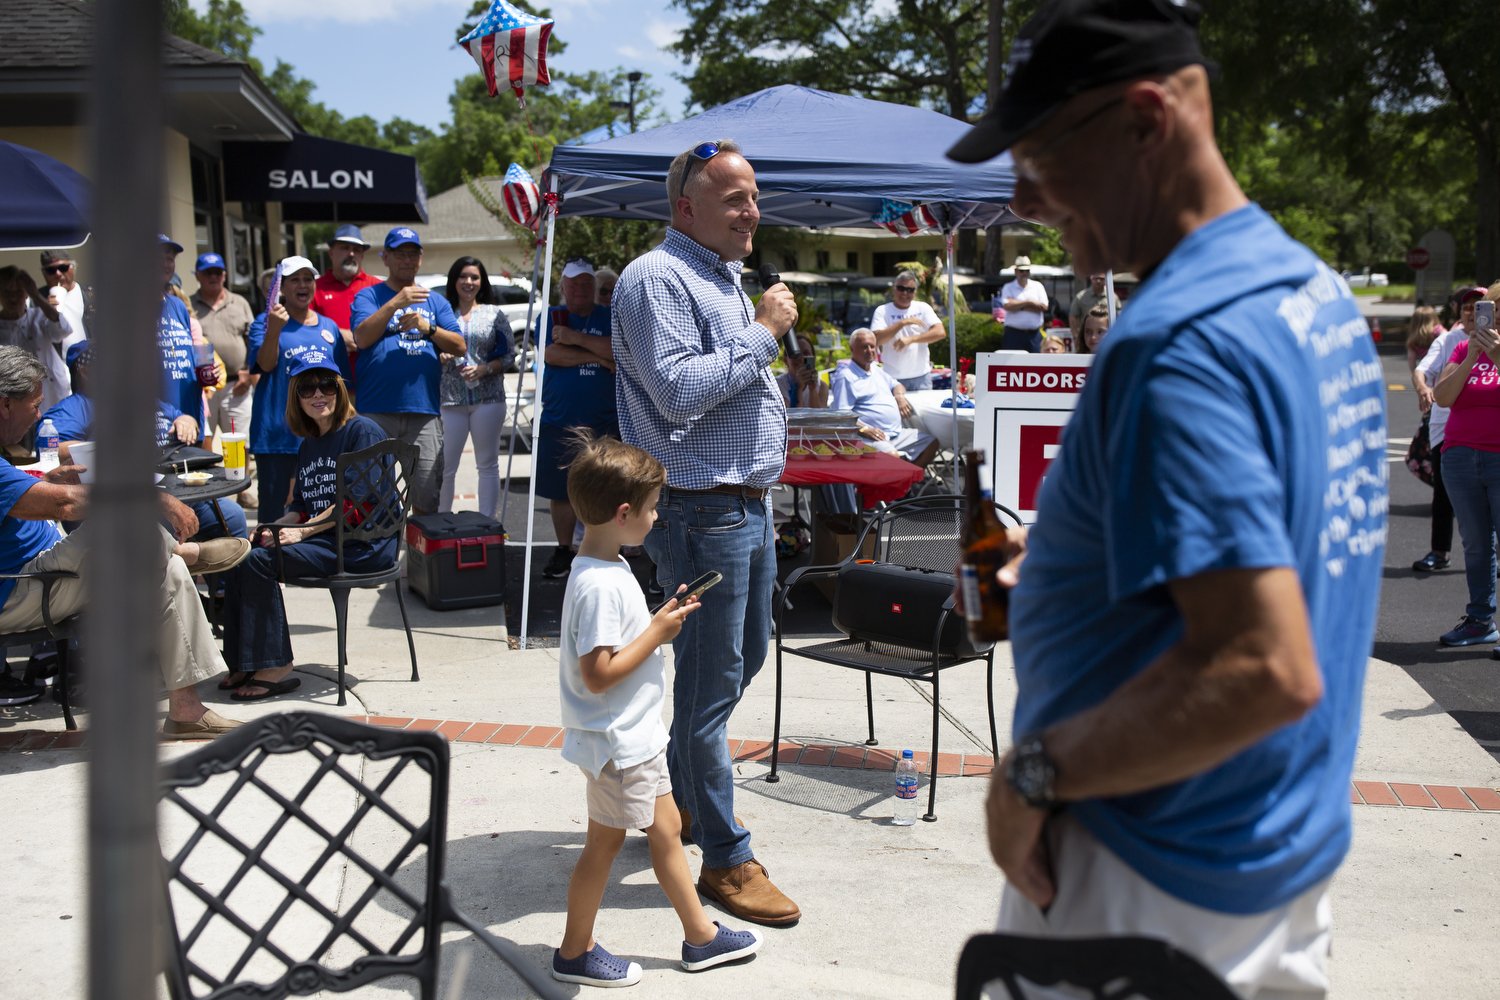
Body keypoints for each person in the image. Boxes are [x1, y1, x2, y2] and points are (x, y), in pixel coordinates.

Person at [945, 1, 1387, 995]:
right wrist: (1069, 571)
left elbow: (1261, 666)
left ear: (1147, 120)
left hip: (1146, 873)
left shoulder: (1179, 342)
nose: (1020, 193)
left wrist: (1029, 777)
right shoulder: (1305, 293)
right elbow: (1292, 543)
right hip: (1263, 851)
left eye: (1039, 150)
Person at [612, 137, 802, 927]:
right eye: (733, 198)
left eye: (753, 196)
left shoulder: (717, 275)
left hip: (742, 507)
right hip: (698, 511)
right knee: (712, 688)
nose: (751, 211)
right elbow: (680, 391)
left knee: (732, 665)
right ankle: (725, 857)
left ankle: (680, 800)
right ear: (684, 206)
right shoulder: (656, 277)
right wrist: (763, 332)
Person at [551, 432, 762, 988]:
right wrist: (658, 634)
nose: (655, 518)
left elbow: (615, 650)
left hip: (625, 737)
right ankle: (595, 948)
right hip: (619, 739)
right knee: (617, 844)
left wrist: (654, 624)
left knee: (661, 828)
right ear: (624, 513)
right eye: (651, 509)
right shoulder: (599, 583)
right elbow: (598, 674)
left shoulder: (603, 567)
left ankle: (699, 936)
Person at [0, 345, 248, 736]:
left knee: (169, 570)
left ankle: (186, 710)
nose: (39, 411)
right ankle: (187, 548)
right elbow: (65, 506)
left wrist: (40, 481)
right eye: (33, 403)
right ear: (3, 404)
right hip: (19, 589)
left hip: (45, 577)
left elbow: (23, 496)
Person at [218, 349, 395, 702]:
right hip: (328, 541)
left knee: (259, 561)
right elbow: (300, 507)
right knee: (242, 551)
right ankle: (245, 660)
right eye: (307, 388)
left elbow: (355, 506)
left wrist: (301, 532)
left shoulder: (361, 431)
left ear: (339, 390)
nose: (318, 394)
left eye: (326, 385)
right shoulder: (310, 444)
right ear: (296, 396)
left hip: (360, 546)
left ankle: (277, 666)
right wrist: (274, 525)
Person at [43, 340, 246, 544]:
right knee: (165, 535)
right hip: (129, 501)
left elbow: (181, 416)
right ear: (86, 372)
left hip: (179, 485)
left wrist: (186, 421)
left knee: (233, 518)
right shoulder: (75, 408)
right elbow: (52, 447)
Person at [350, 228, 467, 516]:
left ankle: (420, 561)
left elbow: (460, 345)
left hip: (423, 413)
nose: (407, 260)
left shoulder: (435, 301)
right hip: (377, 411)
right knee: (375, 496)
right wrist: (395, 303)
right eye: (400, 254)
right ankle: (381, 559)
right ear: (385, 258)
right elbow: (362, 338)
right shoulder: (369, 296)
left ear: (420, 259)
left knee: (426, 496)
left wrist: (428, 327)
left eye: (412, 254)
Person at [248, 256, 351, 525]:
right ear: (281, 287)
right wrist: (274, 330)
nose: (303, 285)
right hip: (277, 438)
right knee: (274, 517)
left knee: (317, 513)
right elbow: (265, 364)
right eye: (294, 279)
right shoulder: (264, 321)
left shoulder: (329, 327)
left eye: (308, 279)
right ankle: (270, 565)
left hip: (321, 437)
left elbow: (342, 385)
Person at [537, 257, 617, 579]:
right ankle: (563, 548)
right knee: (561, 491)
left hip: (605, 419)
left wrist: (575, 338)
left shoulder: (610, 315)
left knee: (609, 487)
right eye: (574, 284)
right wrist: (592, 356)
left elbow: (616, 351)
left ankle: (607, 548)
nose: (581, 289)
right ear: (564, 287)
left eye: (587, 283)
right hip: (561, 418)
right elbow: (552, 354)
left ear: (595, 287)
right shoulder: (552, 316)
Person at [1429, 286, 1500, 646]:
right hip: (1459, 457)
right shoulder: (1462, 346)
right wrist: (1473, 355)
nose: (1497, 315)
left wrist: (1498, 355)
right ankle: (1480, 620)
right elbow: (1442, 397)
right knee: (1475, 542)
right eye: (1494, 308)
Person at [438, 256, 511, 519]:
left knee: (488, 465)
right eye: (463, 276)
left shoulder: (494, 314)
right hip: (450, 400)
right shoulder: (442, 312)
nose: (468, 282)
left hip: (488, 399)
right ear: (454, 280)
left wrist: (485, 369)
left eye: (474, 277)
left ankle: (488, 523)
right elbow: (427, 350)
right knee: (446, 466)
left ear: (482, 282)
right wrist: (440, 356)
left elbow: (509, 356)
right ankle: (442, 521)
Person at [1410, 295, 1474, 574]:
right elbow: (1423, 369)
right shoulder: (1449, 340)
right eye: (1467, 307)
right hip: (1445, 428)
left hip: (1485, 428)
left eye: (1479, 307)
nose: (1472, 313)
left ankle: (1492, 558)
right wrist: (1423, 388)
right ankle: (1439, 552)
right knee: (1444, 493)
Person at [829, 328, 939, 468]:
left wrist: (899, 396)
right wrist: (865, 429)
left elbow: (897, 384)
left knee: (931, 443)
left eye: (872, 346)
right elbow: (841, 415)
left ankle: (907, 481)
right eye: (864, 347)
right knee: (892, 457)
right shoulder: (846, 376)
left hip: (895, 434)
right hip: (867, 437)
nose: (869, 350)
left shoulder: (875, 368)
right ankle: (899, 483)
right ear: (852, 349)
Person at [191, 252, 257, 445]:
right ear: (197, 275)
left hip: (237, 385)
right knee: (204, 443)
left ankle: (242, 477)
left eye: (217, 272)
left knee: (240, 444)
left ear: (225, 275)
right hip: (202, 388)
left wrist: (248, 373)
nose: (213, 277)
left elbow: (254, 341)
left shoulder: (240, 302)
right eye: (207, 272)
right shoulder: (188, 305)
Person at [158, 234, 208, 443]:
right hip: (160, 427)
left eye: (170, 258)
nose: (166, 264)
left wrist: (207, 370)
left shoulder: (177, 305)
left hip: (190, 420)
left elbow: (192, 354)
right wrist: (174, 415)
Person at [0, 266, 71, 410]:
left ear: (27, 294)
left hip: (53, 397)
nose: (13, 297)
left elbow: (63, 330)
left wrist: (37, 296)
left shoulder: (40, 316)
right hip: (15, 406)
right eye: (7, 292)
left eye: (18, 292)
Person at [314, 224, 382, 359]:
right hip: (330, 371)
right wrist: (335, 334)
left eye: (356, 250)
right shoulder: (314, 288)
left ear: (362, 256)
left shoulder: (377, 287)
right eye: (345, 248)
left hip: (371, 373)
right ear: (331, 253)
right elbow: (300, 326)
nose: (351, 254)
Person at [868, 270, 945, 390]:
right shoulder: (882, 311)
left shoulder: (923, 308)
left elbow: (940, 332)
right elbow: (876, 340)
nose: (905, 293)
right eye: (901, 288)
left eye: (910, 290)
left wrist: (911, 339)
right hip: (891, 378)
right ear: (894, 289)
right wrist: (902, 323)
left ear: (915, 292)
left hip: (921, 378)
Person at [39, 249, 90, 350]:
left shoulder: (90, 294)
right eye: (51, 270)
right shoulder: (37, 300)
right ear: (44, 274)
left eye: (63, 268)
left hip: (87, 363)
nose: (58, 274)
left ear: (73, 267)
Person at [999, 255, 1049, 352]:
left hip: (1034, 335)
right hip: (1013, 335)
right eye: (1022, 271)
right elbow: (1007, 306)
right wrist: (1029, 302)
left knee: (1035, 365)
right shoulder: (1008, 287)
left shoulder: (1038, 286)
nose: (1024, 273)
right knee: (1011, 366)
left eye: (1027, 271)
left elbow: (1044, 307)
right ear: (1016, 271)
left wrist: (1017, 305)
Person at [775, 334, 827, 409]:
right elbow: (792, 417)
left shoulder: (822, 386)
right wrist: (798, 388)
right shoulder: (777, 385)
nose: (801, 358)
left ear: (813, 357)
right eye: (796, 354)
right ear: (786, 360)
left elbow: (818, 417)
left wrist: (812, 389)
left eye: (806, 353)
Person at [1068, 272, 1118, 338]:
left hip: (1107, 335)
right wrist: (1075, 335)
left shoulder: (1112, 297)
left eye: (1101, 278)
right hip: (1086, 336)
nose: (1098, 281)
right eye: (1096, 278)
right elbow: (1073, 316)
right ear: (1091, 279)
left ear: (1105, 280)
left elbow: (1119, 315)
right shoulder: (1081, 296)